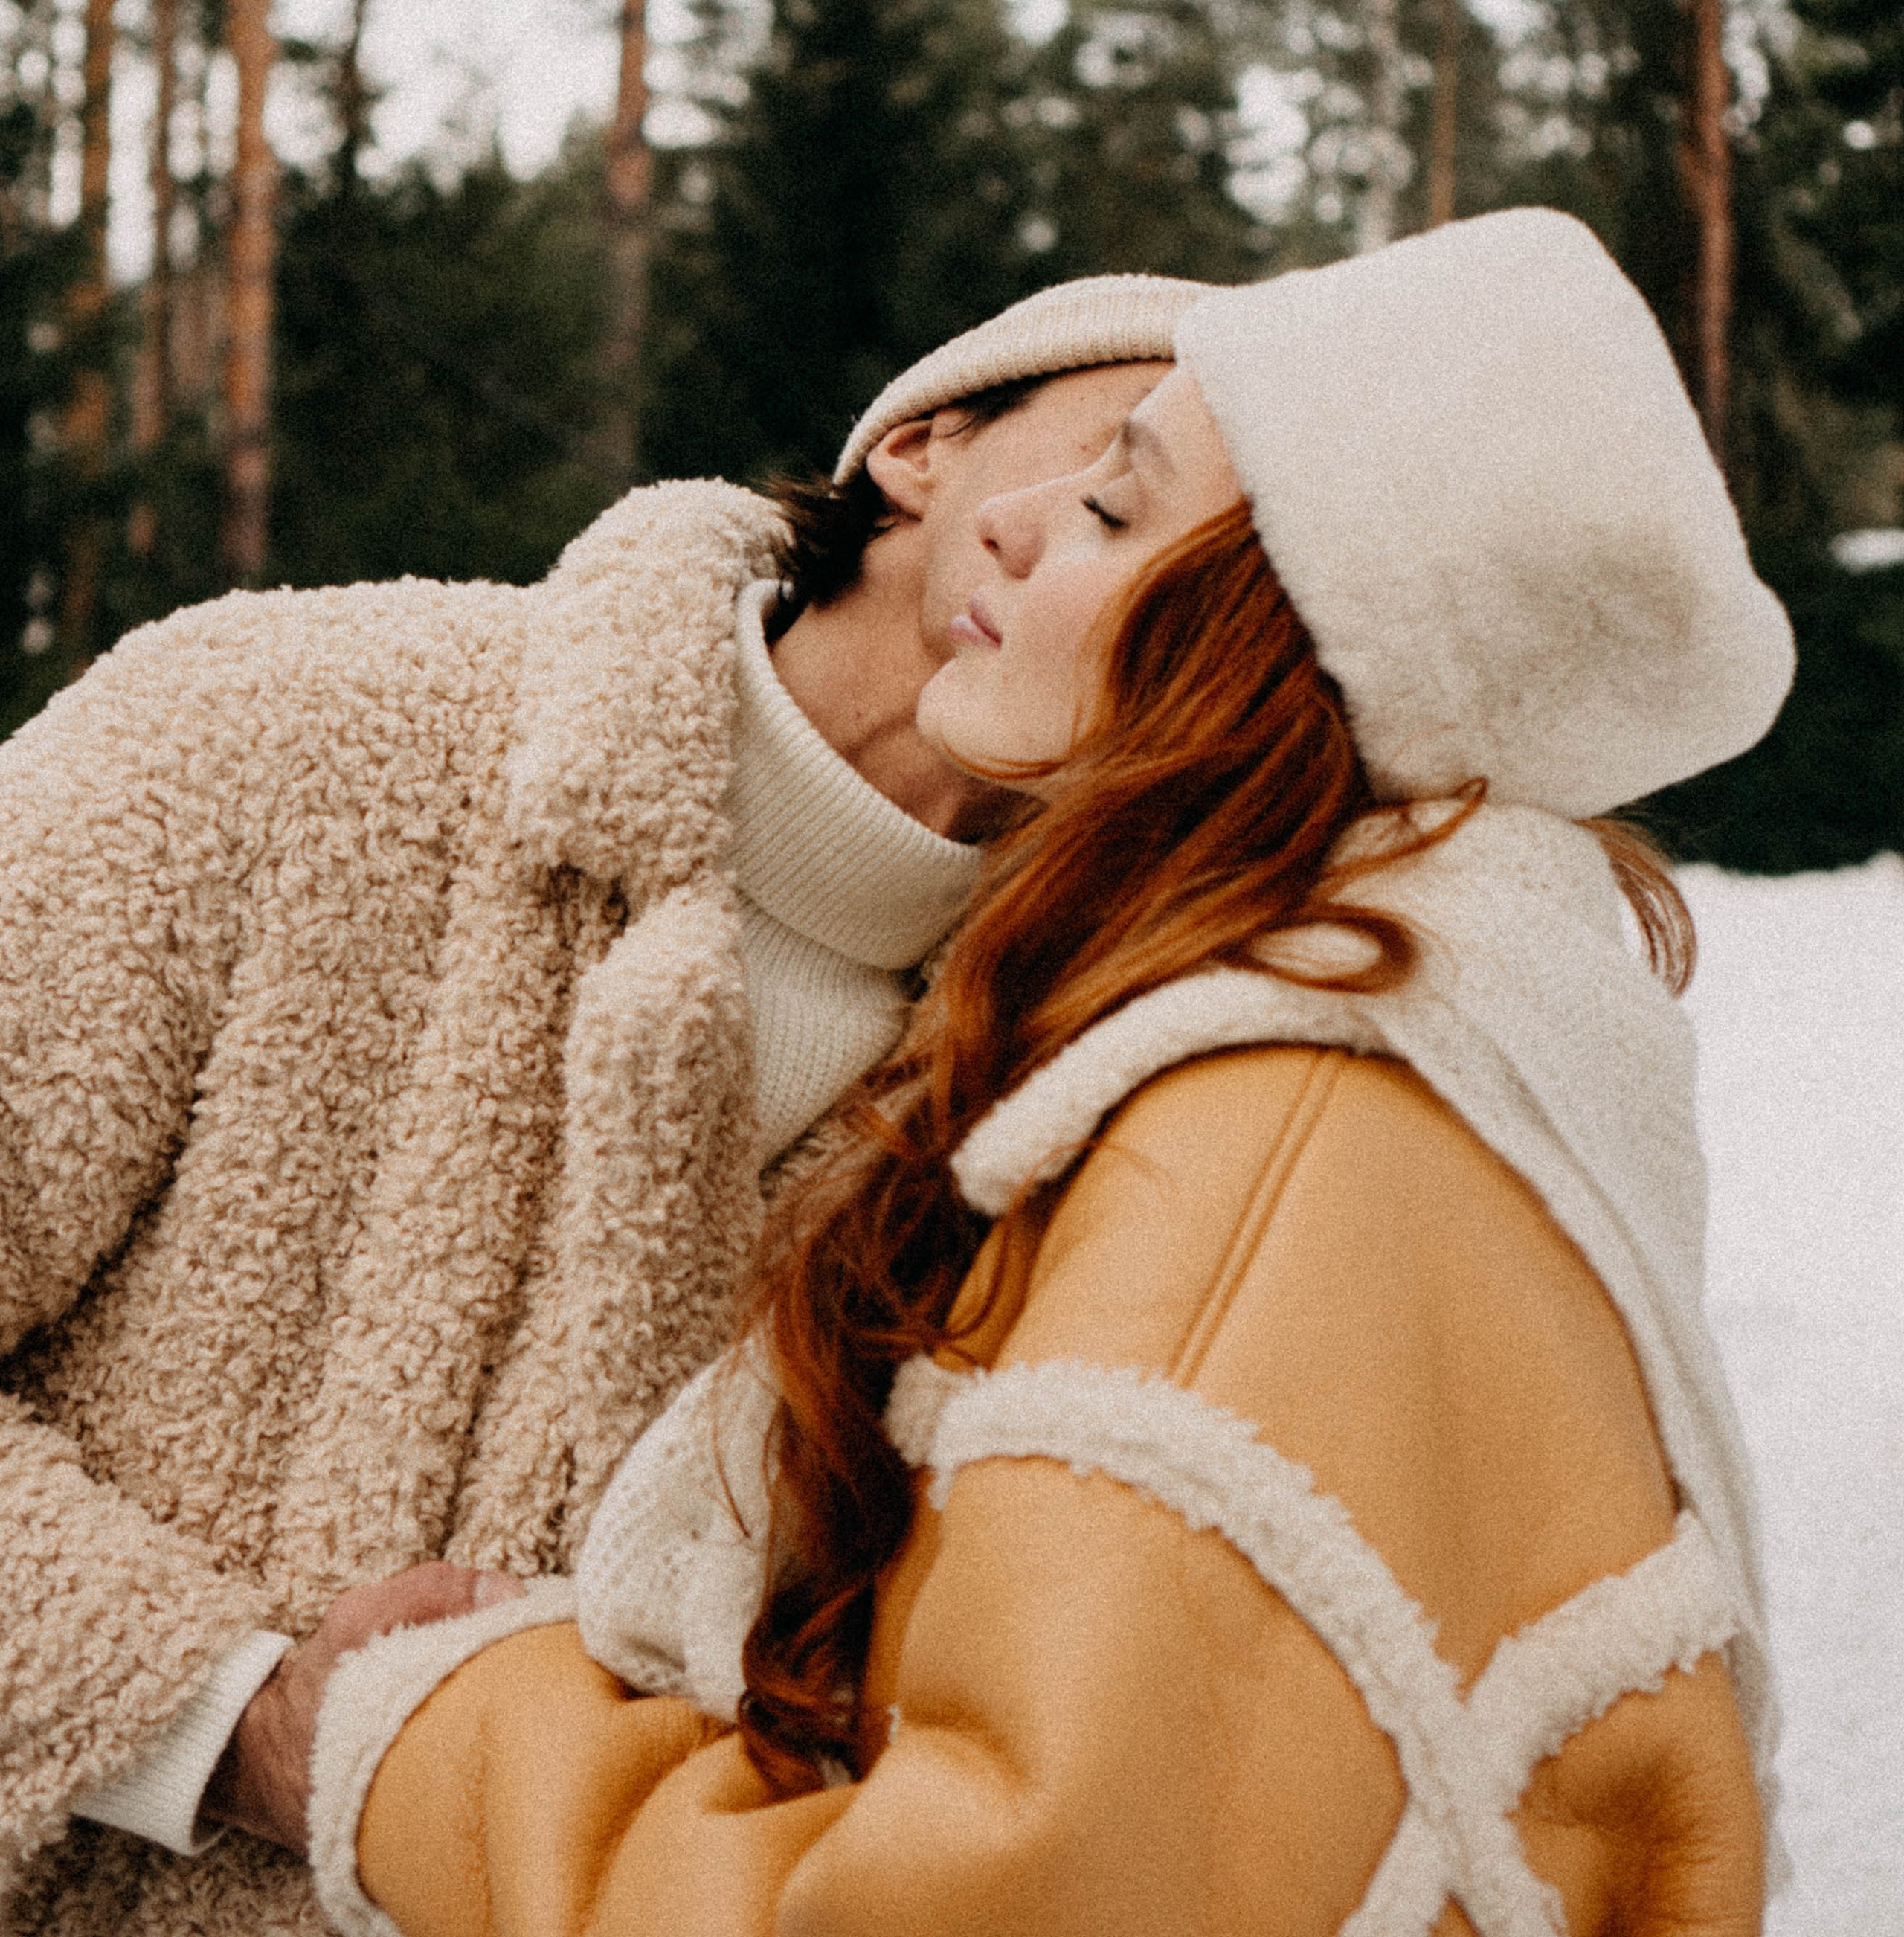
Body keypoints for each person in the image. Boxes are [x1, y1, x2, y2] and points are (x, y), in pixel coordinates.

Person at [303, 210, 1793, 1937]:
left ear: (1274, 645)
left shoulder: (1278, 1139)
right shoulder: (1374, 1044)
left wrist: (421, 1735)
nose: (1008, 521)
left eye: (1109, 503)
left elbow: (997, 1903)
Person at [0, 271, 1204, 1936]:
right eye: (1111, 469)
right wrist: (222, 1722)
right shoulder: (270, 734)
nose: (1119, 568)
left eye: (1221, 572)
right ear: (923, 447)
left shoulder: (1084, 1105)